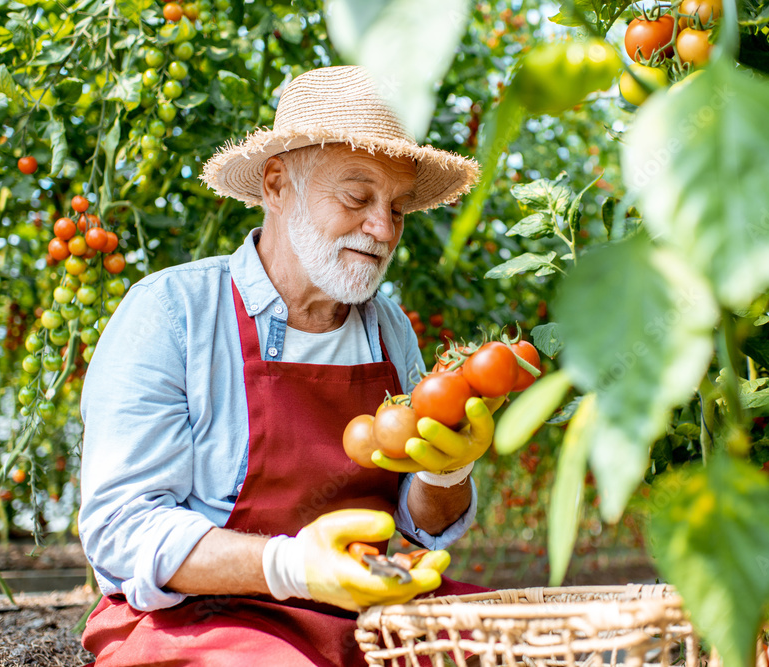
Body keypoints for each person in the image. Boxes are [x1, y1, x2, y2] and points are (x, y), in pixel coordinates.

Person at [78, 65, 494, 667]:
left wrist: (447, 474)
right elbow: (122, 528)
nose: (382, 228)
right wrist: (290, 566)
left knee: (526, 645)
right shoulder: (174, 314)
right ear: (276, 185)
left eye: (398, 208)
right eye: (357, 197)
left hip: (370, 613)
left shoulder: (388, 328)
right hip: (209, 621)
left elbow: (419, 521)